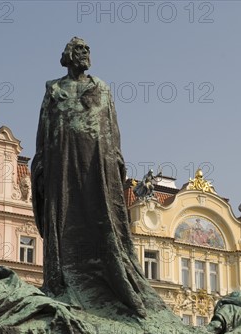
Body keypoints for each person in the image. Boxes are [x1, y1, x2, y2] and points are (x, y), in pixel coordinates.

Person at [31, 37, 166, 318]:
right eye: (79, 49)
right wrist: (42, 163)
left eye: (87, 49)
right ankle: (67, 282)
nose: (85, 53)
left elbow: (112, 127)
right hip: (63, 161)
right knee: (65, 218)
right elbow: (44, 131)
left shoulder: (102, 88)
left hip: (97, 161)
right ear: (68, 56)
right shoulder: (53, 89)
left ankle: (114, 282)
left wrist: (116, 157)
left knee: (103, 217)